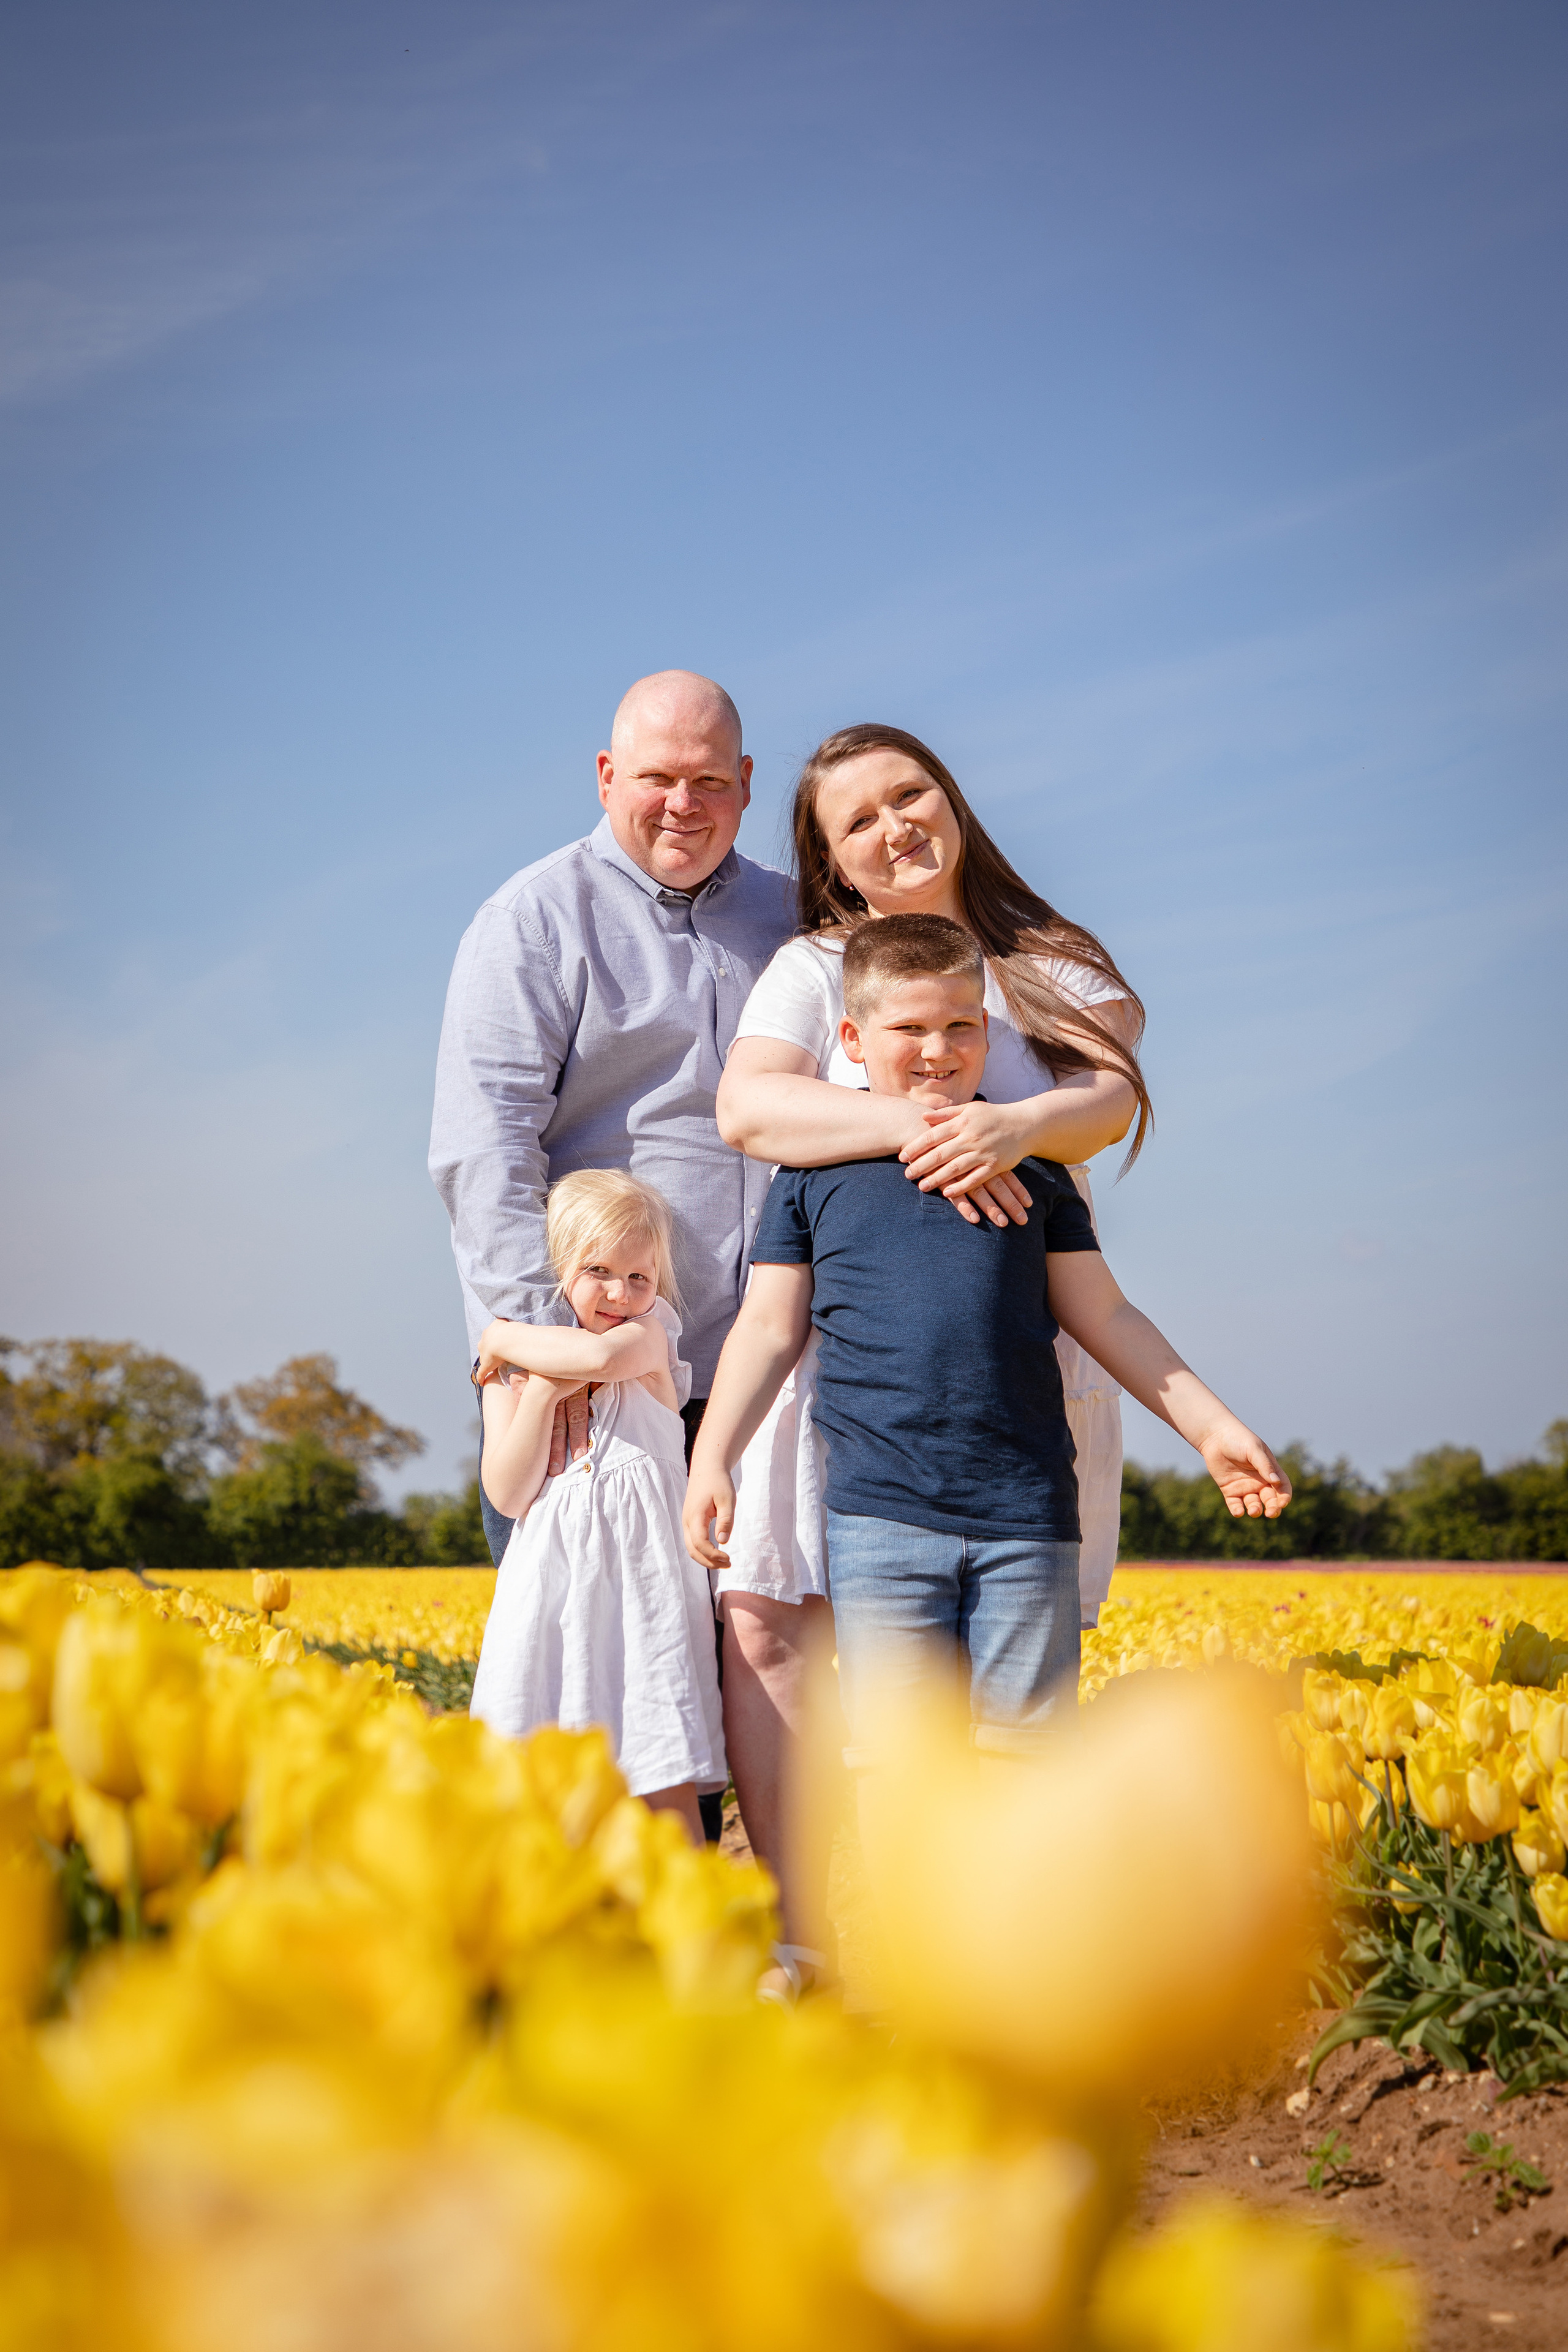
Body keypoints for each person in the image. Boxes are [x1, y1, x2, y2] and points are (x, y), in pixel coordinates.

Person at [687, 915, 1288, 1790]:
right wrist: (714, 1462)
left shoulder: (1034, 1172)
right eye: (909, 1029)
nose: (938, 1050)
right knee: (902, 1774)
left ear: (988, 1031)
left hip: (1029, 1521)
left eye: (961, 1026)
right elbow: (769, 1329)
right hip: (879, 1521)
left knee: (1030, 1777)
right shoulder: (811, 1178)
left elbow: (1108, 1317)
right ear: (851, 1038)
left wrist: (1211, 1427)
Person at [709, 725, 1147, 1918]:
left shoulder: (1046, 958)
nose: (892, 826)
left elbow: (1106, 1097)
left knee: (1006, 1685)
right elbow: (748, 1108)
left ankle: (1002, 1944)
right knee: (802, 1635)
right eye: (856, 820)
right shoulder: (814, 967)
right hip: (852, 1355)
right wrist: (930, 1126)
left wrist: (1016, 1129)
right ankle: (822, 1937)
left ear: (948, 797)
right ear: (831, 857)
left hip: (1014, 1353)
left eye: (908, 794)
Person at [429, 669, 794, 1841]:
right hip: (591, 1396)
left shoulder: (796, 926)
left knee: (734, 1696)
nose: (680, 805)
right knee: (588, 1695)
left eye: (707, 782)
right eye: (655, 778)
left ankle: (734, 1961)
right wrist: (563, 1367)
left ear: (746, 787)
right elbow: (482, 1147)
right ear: (605, 777)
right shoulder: (530, 921)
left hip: (760, 1386)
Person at [470, 1170, 724, 1845]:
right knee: (547, 1765)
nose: (620, 1293)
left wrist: (497, 1337)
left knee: (656, 1752)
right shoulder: (515, 1381)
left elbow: (593, 1356)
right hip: (552, 1584)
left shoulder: (649, 1337)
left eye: (640, 1277)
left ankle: (690, 1923)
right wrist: (546, 1393)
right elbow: (508, 1491)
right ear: (556, 1269)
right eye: (597, 1270)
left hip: (643, 1580)